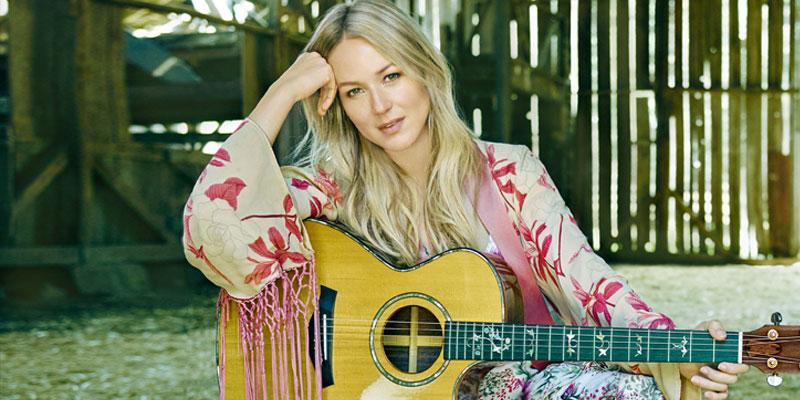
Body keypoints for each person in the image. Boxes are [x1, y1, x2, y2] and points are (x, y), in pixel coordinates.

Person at [182, 1, 748, 399]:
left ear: (425, 73)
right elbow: (215, 232)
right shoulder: (331, 189)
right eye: (355, 90)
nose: (381, 106)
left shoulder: (508, 173)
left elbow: (593, 288)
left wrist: (679, 346)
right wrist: (282, 92)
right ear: (338, 105)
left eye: (391, 76)